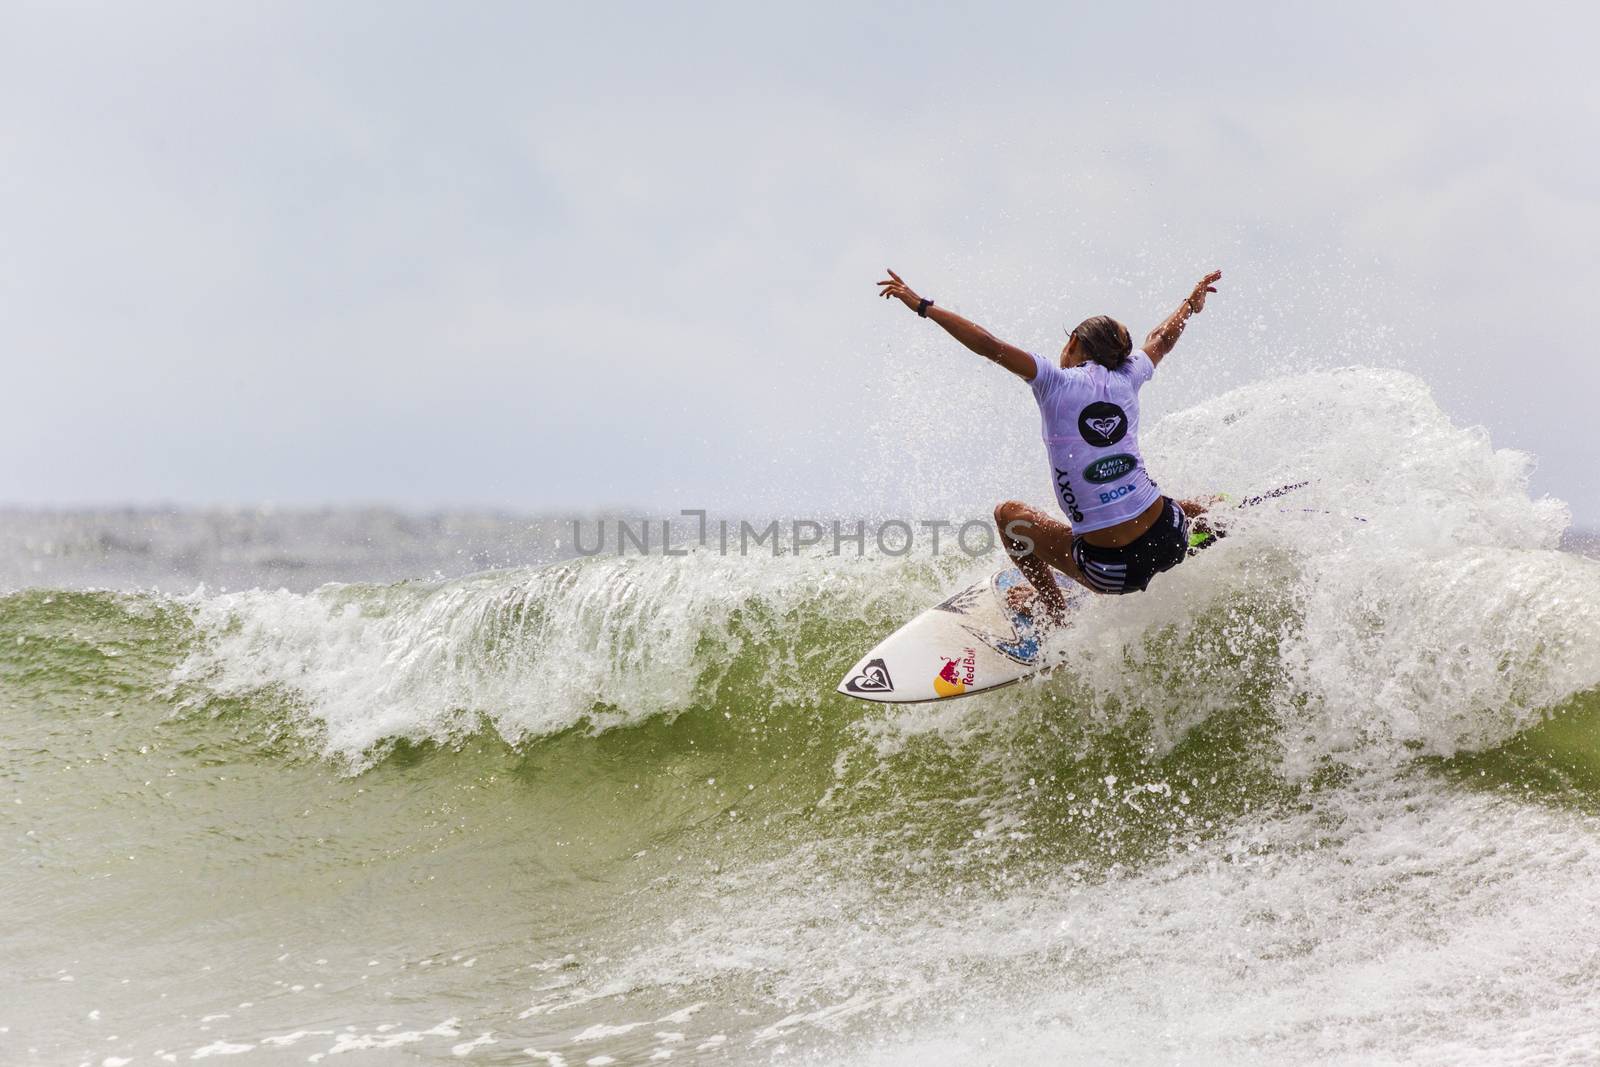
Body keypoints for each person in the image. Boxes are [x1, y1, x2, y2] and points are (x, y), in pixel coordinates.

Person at [875, 268, 1223, 621]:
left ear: (1073, 342)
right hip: (1171, 538)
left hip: (1110, 573)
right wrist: (1189, 305)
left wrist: (923, 306)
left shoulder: (1053, 381)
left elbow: (989, 345)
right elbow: (1162, 337)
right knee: (1175, 505)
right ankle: (1224, 523)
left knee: (1008, 516)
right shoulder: (1131, 375)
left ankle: (1054, 610)